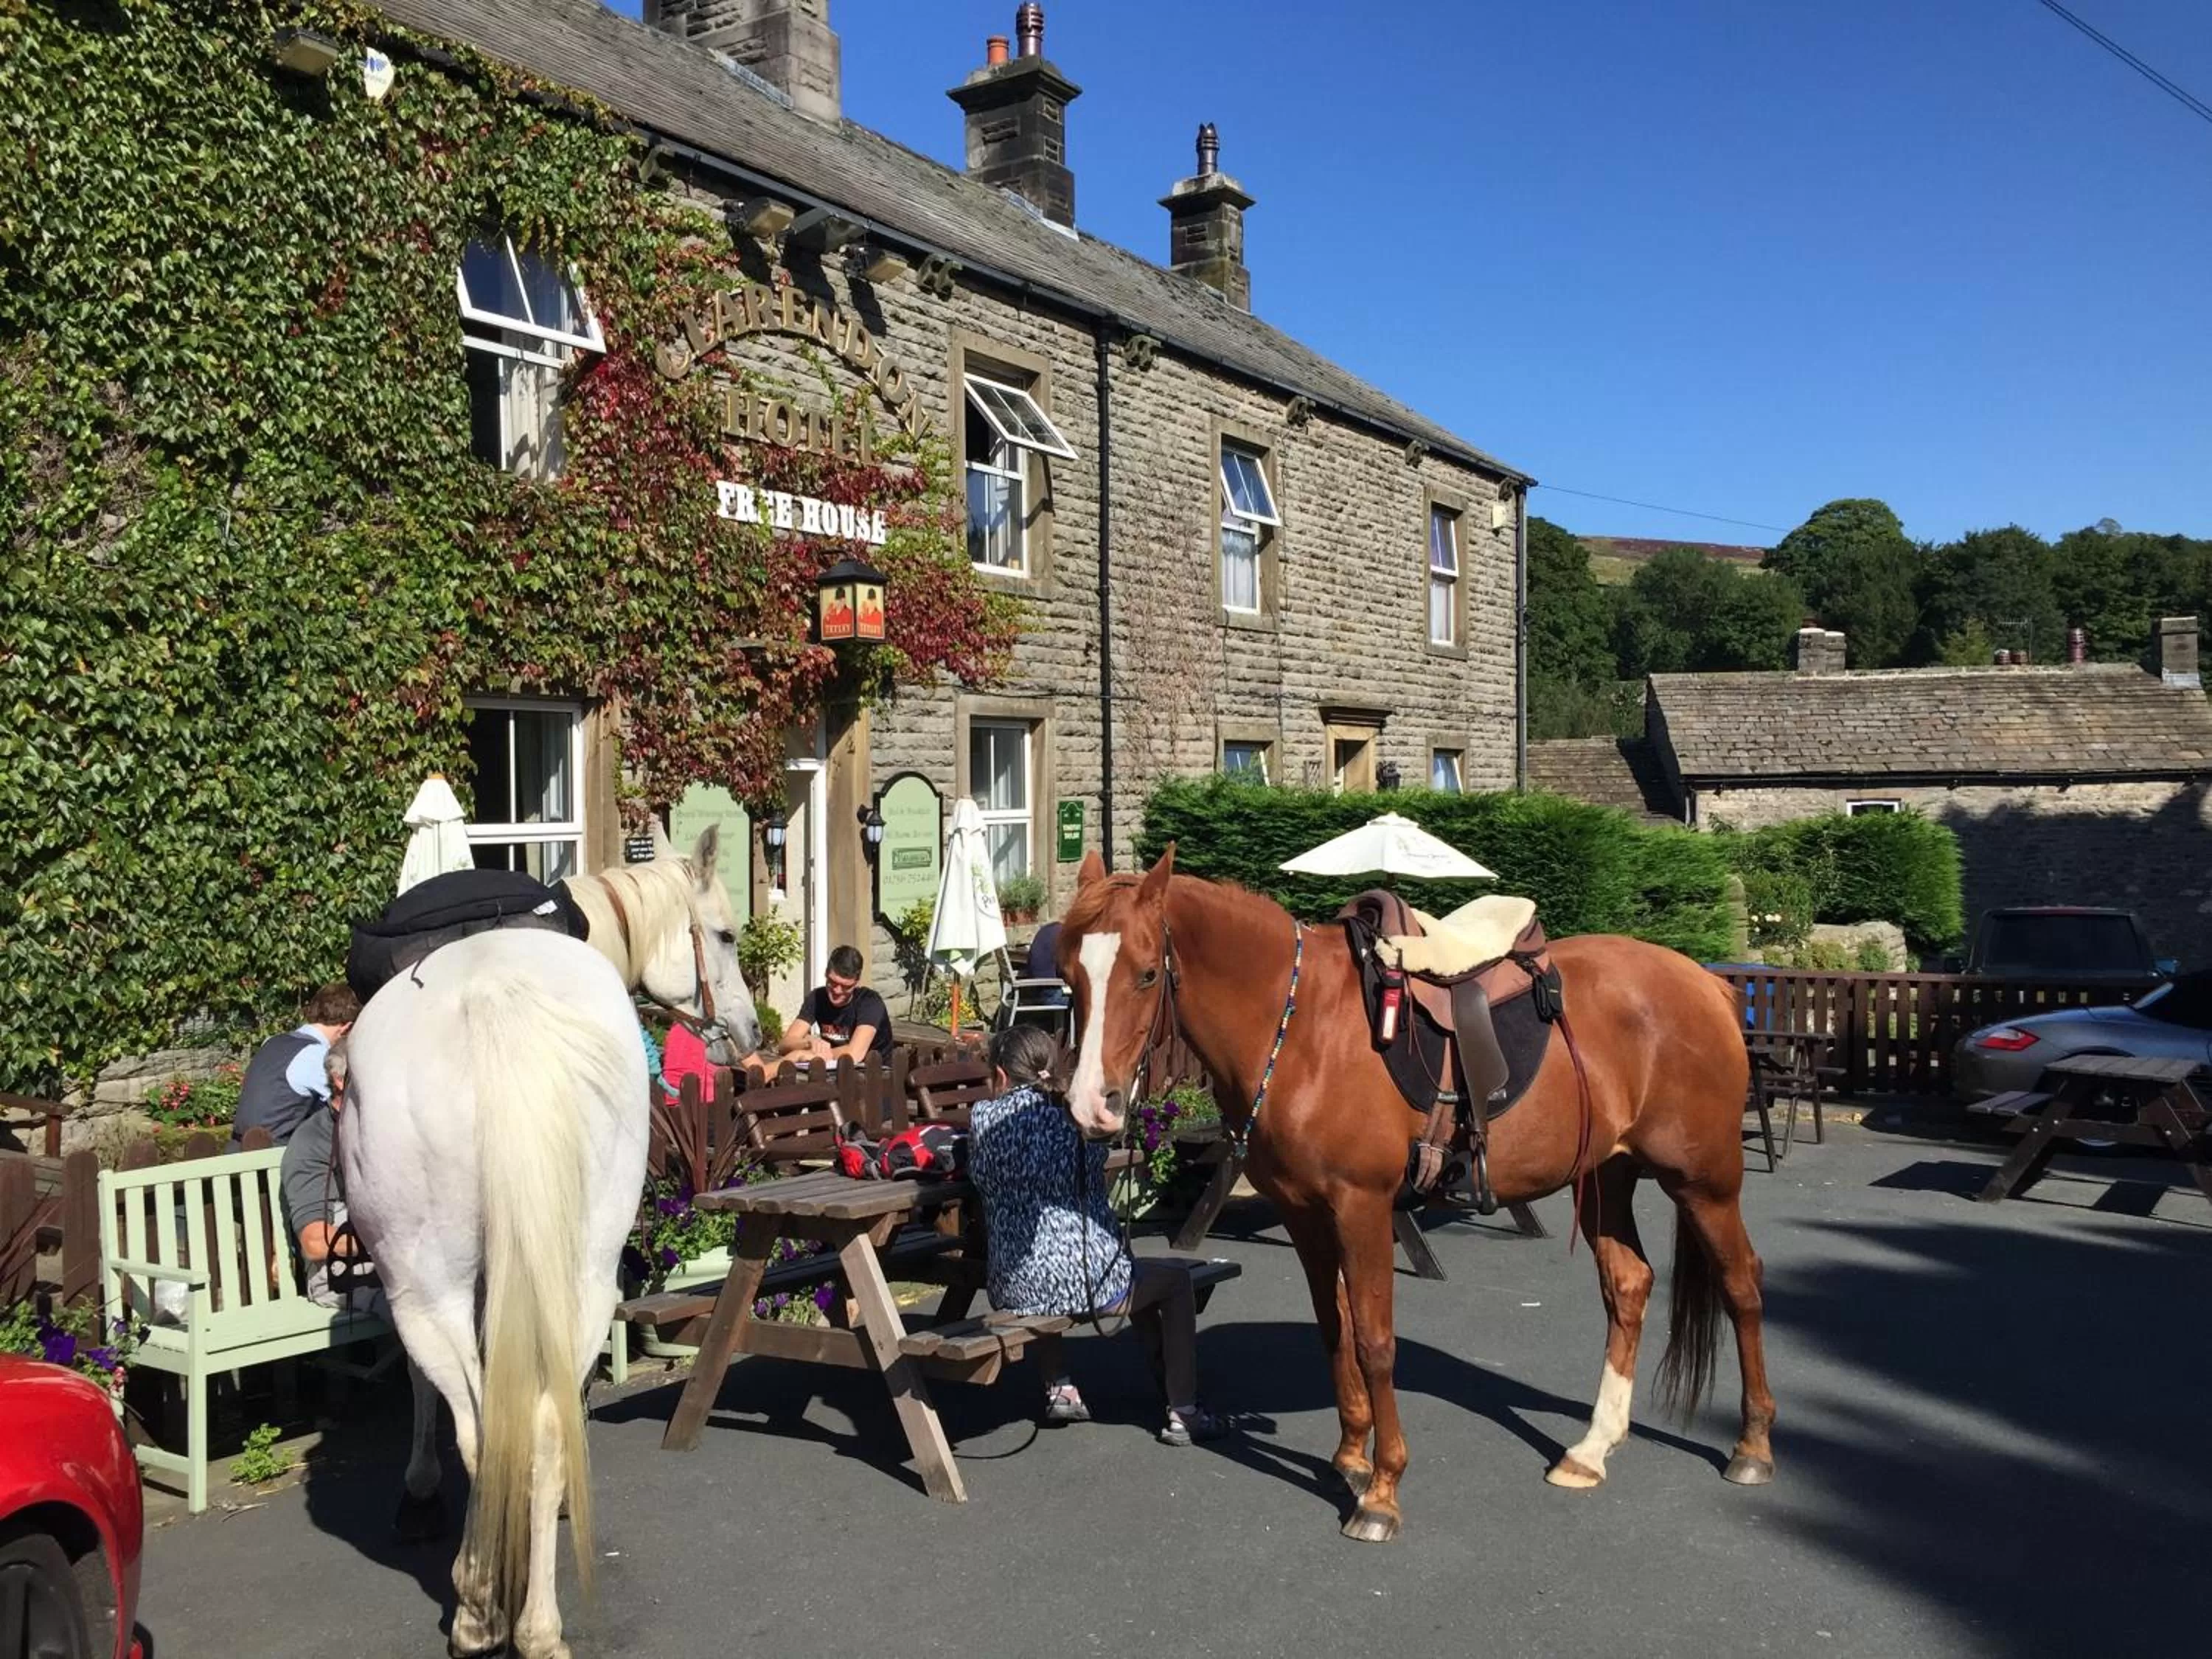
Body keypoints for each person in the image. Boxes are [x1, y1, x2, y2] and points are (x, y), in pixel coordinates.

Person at [967, 1025, 1225, 1445]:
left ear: (1000, 1076)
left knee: (1044, 1266)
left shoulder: (982, 1119)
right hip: (1092, 1283)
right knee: (1175, 1282)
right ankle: (1184, 1410)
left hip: (1012, 1284)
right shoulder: (1076, 1116)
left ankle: (1060, 1387)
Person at [277, 1041, 387, 1318]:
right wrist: (391, 1242)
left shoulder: (384, 1130)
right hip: (342, 1279)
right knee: (423, 1313)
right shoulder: (313, 1141)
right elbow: (314, 1242)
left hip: (390, 1270)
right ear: (339, 1080)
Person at [229, 983, 361, 1150]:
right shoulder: (316, 1055)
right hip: (270, 1160)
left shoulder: (272, 1042)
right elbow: (346, 1106)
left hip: (235, 1153)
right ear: (347, 1028)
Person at [776, 945, 894, 1065]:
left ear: (856, 983)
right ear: (826, 974)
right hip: (833, 1070)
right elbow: (785, 1044)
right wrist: (808, 1043)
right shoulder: (817, 998)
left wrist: (811, 1055)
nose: (837, 991)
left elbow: (855, 1054)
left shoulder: (870, 1002)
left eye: (846, 987)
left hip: (876, 1074)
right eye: (833, 983)